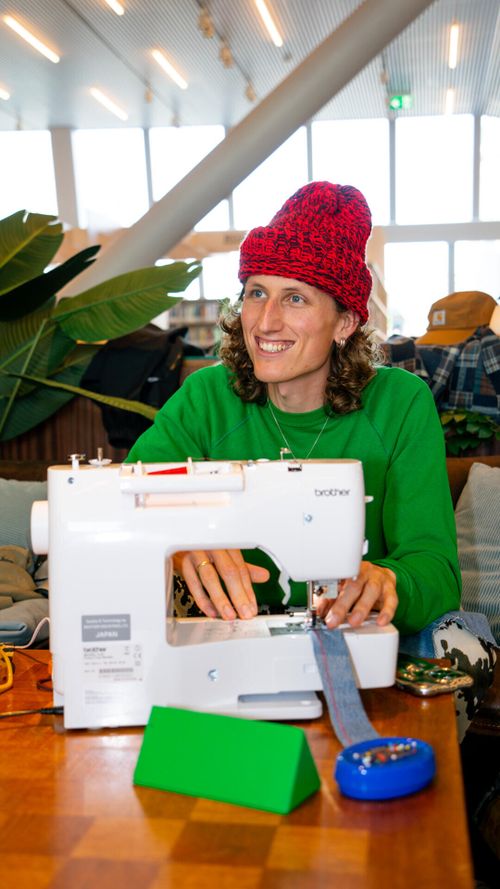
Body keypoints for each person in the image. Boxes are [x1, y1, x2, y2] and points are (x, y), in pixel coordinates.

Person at [126, 181, 462, 638]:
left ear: (345, 322)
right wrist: (179, 547)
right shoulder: (206, 397)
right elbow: (127, 504)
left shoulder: (400, 404)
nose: (265, 322)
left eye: (295, 298)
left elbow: (436, 573)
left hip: (354, 634)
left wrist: (387, 580)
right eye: (256, 293)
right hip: (231, 639)